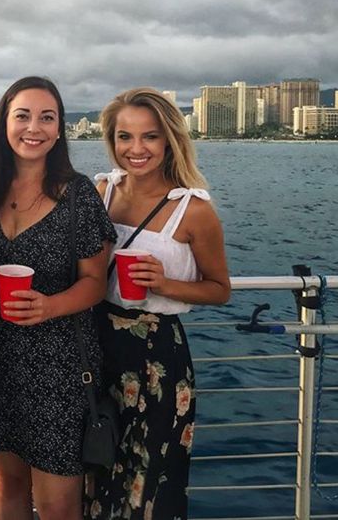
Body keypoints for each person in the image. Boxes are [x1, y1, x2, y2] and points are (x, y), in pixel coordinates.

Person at [0, 76, 116, 520]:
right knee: (8, 485)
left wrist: (49, 306)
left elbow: (96, 281)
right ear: (4, 124)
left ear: (59, 130)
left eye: (46, 117)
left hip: (59, 369)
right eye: (22, 115)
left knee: (57, 503)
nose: (33, 127)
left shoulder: (78, 196)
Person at [89, 87, 230, 519]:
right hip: (95, 349)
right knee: (94, 471)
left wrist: (165, 284)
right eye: (124, 137)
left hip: (156, 362)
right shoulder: (102, 191)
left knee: (148, 483)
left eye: (148, 137)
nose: (136, 149)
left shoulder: (193, 209)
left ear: (168, 140)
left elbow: (219, 288)